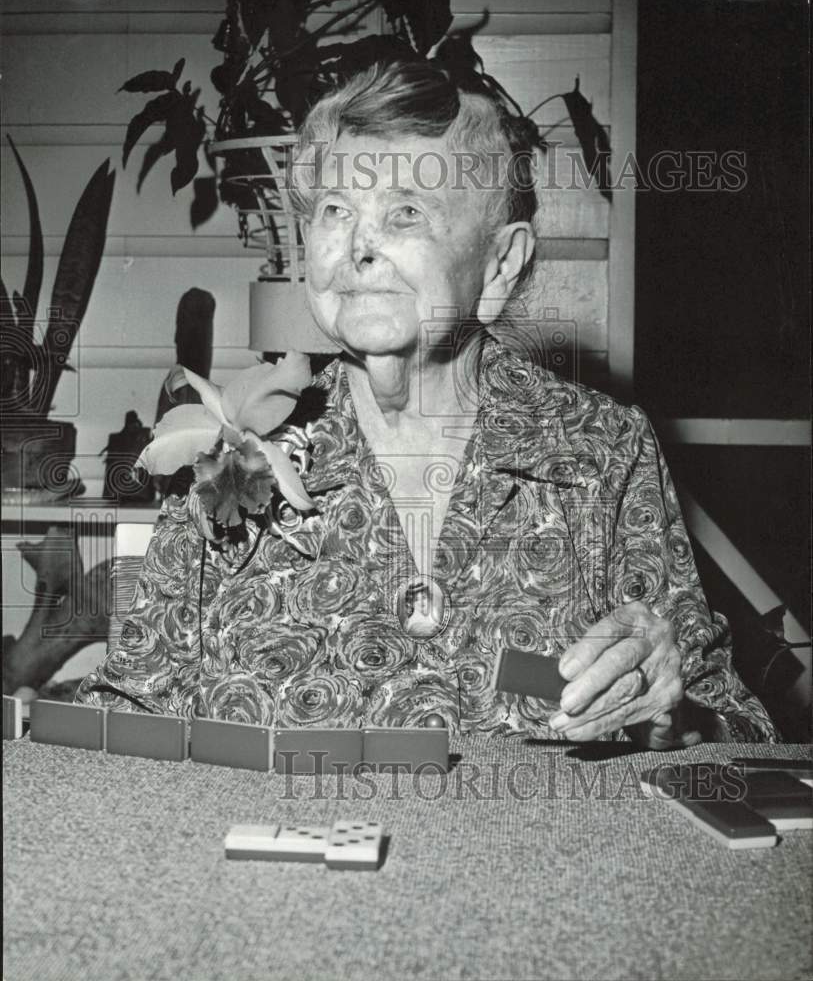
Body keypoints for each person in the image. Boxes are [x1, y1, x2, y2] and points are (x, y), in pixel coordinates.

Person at [77, 60, 776, 746]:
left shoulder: (600, 449)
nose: (358, 247)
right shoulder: (228, 450)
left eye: (405, 212)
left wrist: (670, 710)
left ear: (499, 266)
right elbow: (124, 717)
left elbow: (738, 738)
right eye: (334, 210)